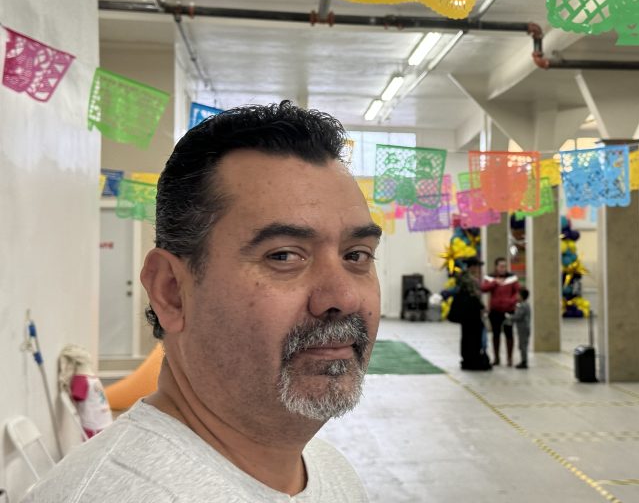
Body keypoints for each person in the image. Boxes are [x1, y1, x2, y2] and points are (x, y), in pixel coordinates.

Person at [24, 102, 382, 502]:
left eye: (357, 255)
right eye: (283, 255)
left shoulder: (331, 472)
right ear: (171, 292)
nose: (343, 297)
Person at [447, 258, 491, 371]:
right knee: (473, 337)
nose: (478, 269)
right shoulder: (470, 279)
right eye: (477, 266)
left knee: (466, 336)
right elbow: (474, 295)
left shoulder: (462, 277)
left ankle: (467, 359)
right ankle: (473, 360)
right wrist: (482, 307)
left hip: (466, 313)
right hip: (472, 313)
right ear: (472, 267)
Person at [481, 257, 520, 367]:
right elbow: (483, 288)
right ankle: (496, 358)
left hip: (509, 311)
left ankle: (509, 358)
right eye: (501, 266)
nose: (503, 268)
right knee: (496, 334)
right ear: (496, 267)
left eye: (504, 266)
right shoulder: (490, 277)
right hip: (495, 310)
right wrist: (495, 282)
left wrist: (510, 302)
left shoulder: (512, 278)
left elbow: (517, 293)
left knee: (509, 334)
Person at [505, 288, 531, 369]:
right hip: (522, 328)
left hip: (523, 328)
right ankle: (523, 360)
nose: (517, 296)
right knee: (522, 345)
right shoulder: (522, 304)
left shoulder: (523, 305)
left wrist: (509, 317)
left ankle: (524, 361)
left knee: (523, 345)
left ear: (522, 296)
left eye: (518, 295)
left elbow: (518, 316)